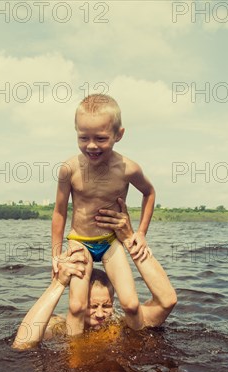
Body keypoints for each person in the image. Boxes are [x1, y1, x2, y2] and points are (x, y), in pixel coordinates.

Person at [51, 94, 156, 336]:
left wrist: (140, 233)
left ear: (119, 134)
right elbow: (59, 212)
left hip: (110, 242)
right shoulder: (69, 169)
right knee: (77, 306)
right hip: (80, 242)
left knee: (130, 303)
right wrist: (56, 254)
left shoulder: (128, 168)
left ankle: (136, 344)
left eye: (100, 138)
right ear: (75, 132)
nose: (91, 145)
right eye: (83, 137)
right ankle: (75, 356)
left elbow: (149, 193)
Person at [13, 198, 176, 350]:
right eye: (92, 306)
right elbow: (22, 344)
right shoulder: (61, 326)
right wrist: (58, 284)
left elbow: (167, 301)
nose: (100, 315)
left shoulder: (120, 323)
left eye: (106, 306)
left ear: (113, 302)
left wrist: (130, 240)